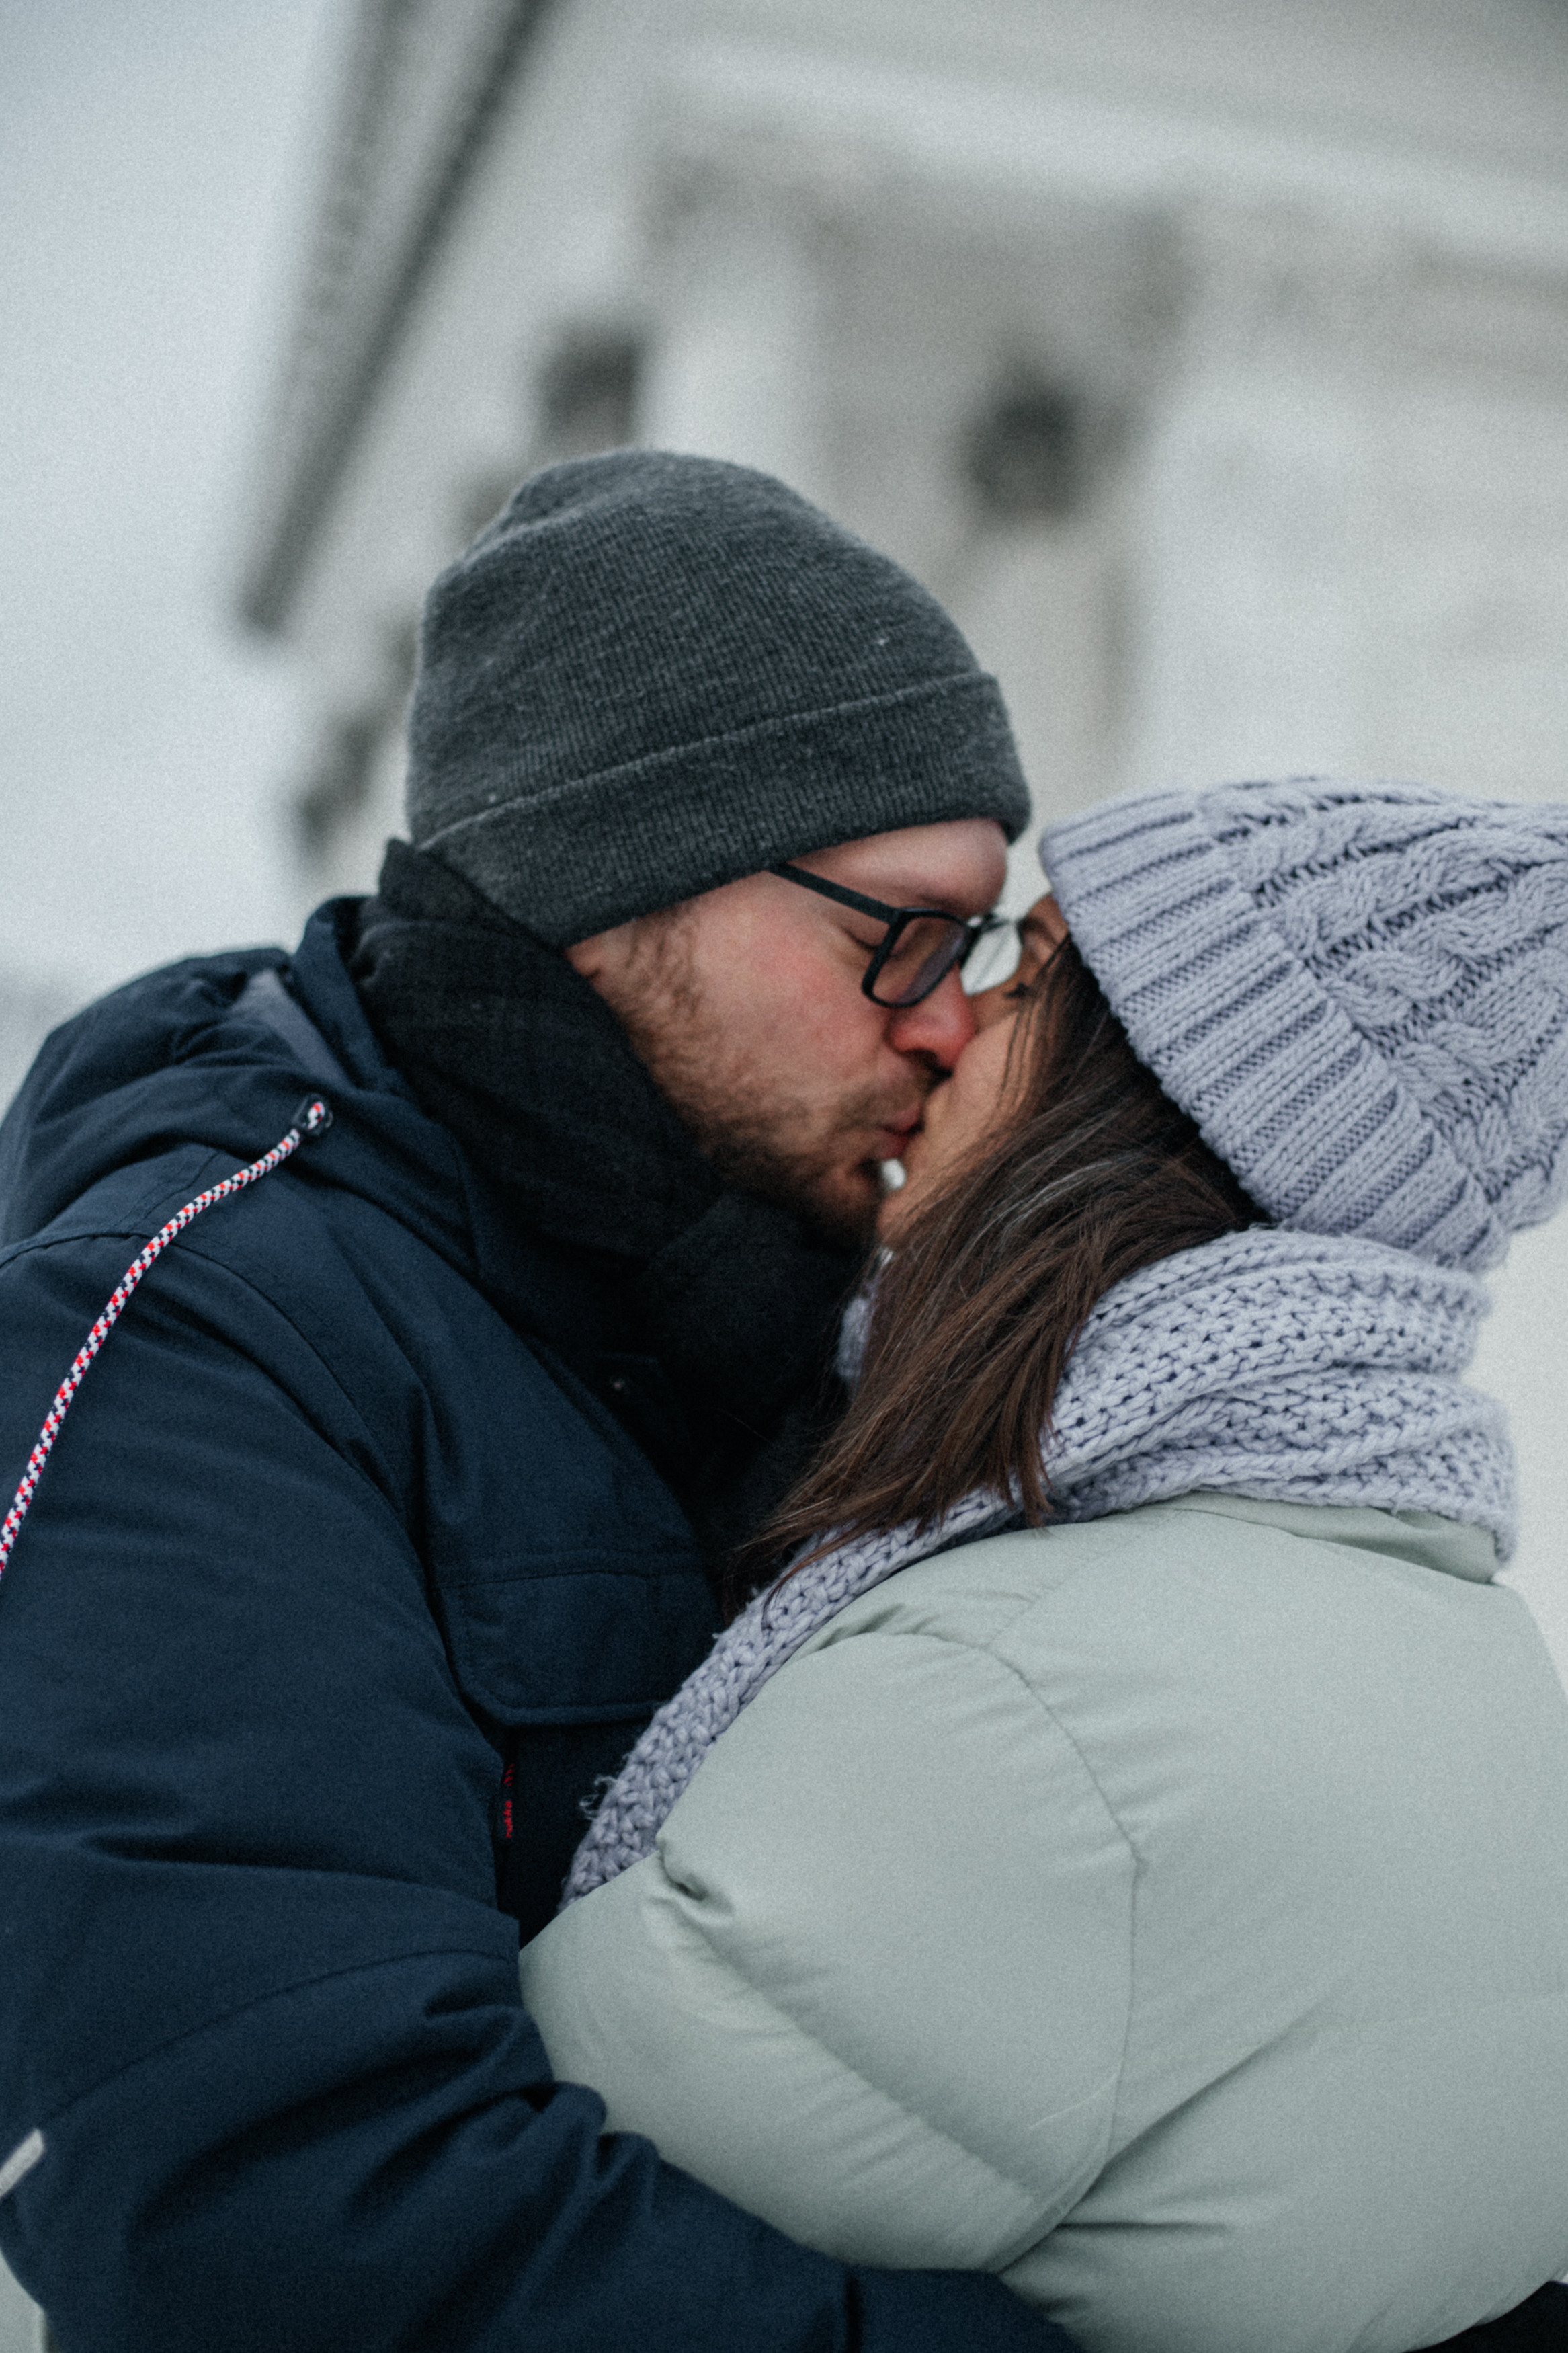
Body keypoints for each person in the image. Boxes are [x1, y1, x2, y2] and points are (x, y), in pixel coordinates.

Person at [0, 453, 1081, 2351]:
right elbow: (277, 2202)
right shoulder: (200, 1335)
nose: (949, 1018)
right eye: (891, 936)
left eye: (977, 942)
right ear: (609, 884)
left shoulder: (780, 1305)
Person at [522, 779, 1568, 2353]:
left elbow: (445, 2233)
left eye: (1025, 975)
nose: (944, 1023)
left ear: (1161, 1095)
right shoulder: (1477, 1657)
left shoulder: (1011, 1708)